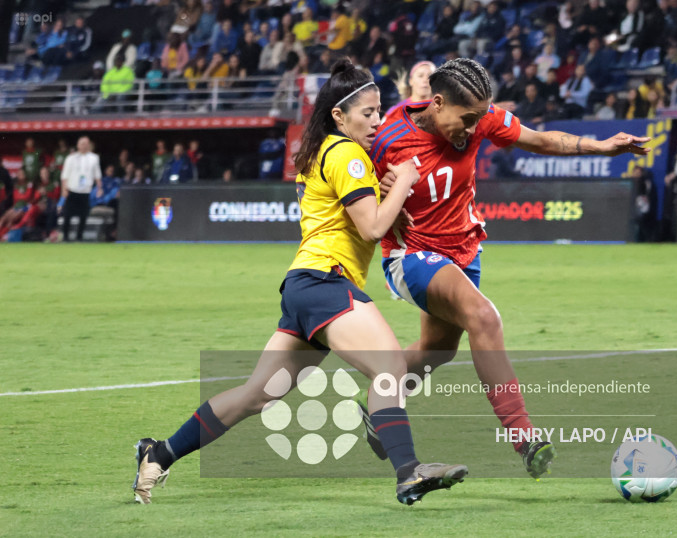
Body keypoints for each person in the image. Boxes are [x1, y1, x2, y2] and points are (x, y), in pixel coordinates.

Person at [132, 59, 467, 506]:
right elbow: (370, 229)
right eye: (367, 113)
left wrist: (388, 191)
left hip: (303, 286)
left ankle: (160, 452)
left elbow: (361, 217)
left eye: (380, 111)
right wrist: (404, 179)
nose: (377, 121)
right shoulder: (346, 154)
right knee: (390, 368)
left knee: (257, 396)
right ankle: (409, 471)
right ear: (339, 115)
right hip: (326, 281)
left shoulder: (327, 151)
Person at [366, 58, 650, 478]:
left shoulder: (481, 118)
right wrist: (378, 185)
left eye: (480, 117)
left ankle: (379, 407)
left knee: (439, 351)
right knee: (484, 317)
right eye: (466, 119)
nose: (474, 127)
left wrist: (602, 146)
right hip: (411, 256)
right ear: (437, 102)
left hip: (464, 250)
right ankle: (525, 438)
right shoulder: (389, 137)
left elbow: (541, 141)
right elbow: (347, 182)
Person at [60, 136, 102, 242]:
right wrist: (64, 189)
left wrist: (99, 188)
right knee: (67, 214)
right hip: (72, 190)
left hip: (85, 191)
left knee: (83, 215)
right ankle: (65, 237)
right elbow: (65, 175)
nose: (84, 146)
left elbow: (97, 175)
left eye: (86, 144)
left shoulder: (94, 158)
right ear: (78, 145)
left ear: (89, 145)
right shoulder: (71, 158)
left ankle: (79, 236)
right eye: (82, 143)